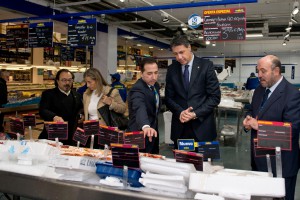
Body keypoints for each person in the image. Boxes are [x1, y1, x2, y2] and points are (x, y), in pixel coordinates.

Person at [243, 55, 300, 200]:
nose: (259, 75)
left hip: (281, 165)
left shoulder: (292, 94)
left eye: (263, 71)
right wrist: (248, 119)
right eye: (258, 71)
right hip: (259, 160)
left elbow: (291, 131)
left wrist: (260, 126)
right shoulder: (259, 90)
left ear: (276, 71)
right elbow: (252, 110)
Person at [165, 35, 221, 149]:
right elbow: (168, 98)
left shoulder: (206, 66)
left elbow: (215, 97)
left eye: (181, 52)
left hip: (203, 127)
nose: (179, 57)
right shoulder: (172, 69)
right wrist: (181, 112)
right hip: (180, 129)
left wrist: (195, 114)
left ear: (189, 48)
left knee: (204, 165)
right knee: (182, 164)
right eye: (175, 54)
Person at [39, 69, 83, 145]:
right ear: (57, 81)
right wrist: (54, 117)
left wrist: (82, 115)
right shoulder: (48, 94)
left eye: (70, 80)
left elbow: (80, 110)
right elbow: (43, 110)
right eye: (64, 80)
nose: (67, 83)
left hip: (71, 137)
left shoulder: (77, 95)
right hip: (53, 136)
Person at [127, 57, 160, 154]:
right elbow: (139, 107)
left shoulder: (155, 85)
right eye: (149, 73)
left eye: (156, 73)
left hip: (152, 132)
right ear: (141, 74)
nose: (154, 77)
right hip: (139, 135)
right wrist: (145, 126)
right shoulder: (137, 89)